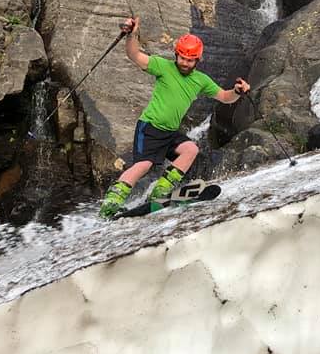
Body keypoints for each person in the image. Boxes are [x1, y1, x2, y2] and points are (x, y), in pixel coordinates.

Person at [99, 16, 251, 218]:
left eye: (190, 60)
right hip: (150, 127)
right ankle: (111, 202)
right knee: (144, 164)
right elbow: (134, 54)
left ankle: (159, 192)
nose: (185, 63)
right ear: (176, 55)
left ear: (198, 60)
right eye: (182, 58)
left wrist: (237, 92)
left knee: (190, 149)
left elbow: (224, 97)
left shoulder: (201, 80)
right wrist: (132, 35)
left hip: (170, 132)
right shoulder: (163, 67)